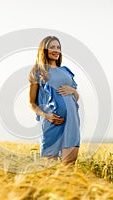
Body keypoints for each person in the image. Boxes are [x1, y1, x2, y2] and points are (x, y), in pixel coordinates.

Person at [28, 36, 80, 165]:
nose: (56, 50)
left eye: (58, 47)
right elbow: (32, 103)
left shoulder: (66, 71)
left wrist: (73, 91)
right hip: (52, 122)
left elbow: (75, 98)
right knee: (49, 168)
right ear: (44, 50)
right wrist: (46, 116)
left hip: (71, 121)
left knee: (69, 166)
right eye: (52, 47)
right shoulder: (38, 72)